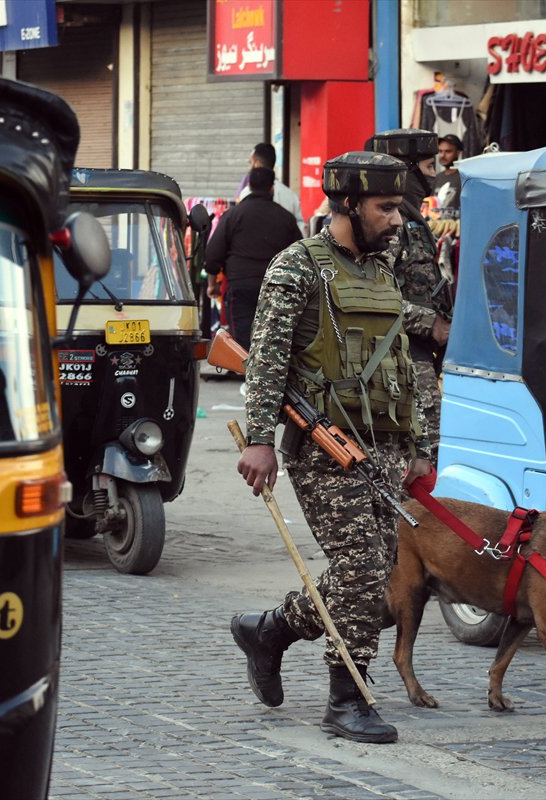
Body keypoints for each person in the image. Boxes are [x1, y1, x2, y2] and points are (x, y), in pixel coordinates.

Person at [230, 151, 434, 744]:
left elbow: (400, 363)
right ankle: (348, 697)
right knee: (362, 570)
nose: (397, 220)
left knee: (373, 571)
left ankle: (270, 631)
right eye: (386, 207)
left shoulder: (382, 271)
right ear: (348, 204)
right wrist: (260, 440)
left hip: (384, 448)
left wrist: (418, 443)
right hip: (325, 448)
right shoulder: (298, 267)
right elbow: (265, 361)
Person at [368, 128, 453, 461]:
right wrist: (430, 323)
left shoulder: (414, 219)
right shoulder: (391, 225)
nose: (434, 177)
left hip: (418, 354)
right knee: (423, 456)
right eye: (429, 167)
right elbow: (371, 294)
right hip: (400, 356)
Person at [205, 167, 303, 351]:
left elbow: (212, 255)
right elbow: (300, 256)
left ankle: (247, 369)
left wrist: (212, 285)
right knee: (273, 342)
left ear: (249, 185)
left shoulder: (233, 215)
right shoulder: (286, 218)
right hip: (277, 288)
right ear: (271, 188)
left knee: (242, 343)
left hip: (241, 287)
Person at [237, 142, 306, 235]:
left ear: (257, 164)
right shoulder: (290, 196)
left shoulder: (247, 193)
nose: (249, 167)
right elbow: (301, 229)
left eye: (250, 162)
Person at [431, 133, 463, 210]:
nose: (442, 155)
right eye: (440, 151)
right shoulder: (438, 177)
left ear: (458, 153)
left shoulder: (464, 177)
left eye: (448, 151)